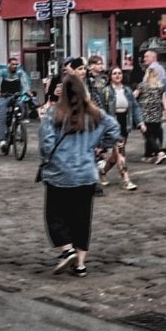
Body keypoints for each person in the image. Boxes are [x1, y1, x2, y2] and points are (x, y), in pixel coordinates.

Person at [39, 74, 120, 277]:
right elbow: (114, 129)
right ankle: (81, 264)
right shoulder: (95, 114)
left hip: (60, 173)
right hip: (85, 173)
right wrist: (100, 147)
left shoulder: (54, 114)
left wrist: (48, 159)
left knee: (55, 216)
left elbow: (46, 144)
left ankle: (67, 250)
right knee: (82, 219)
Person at [101, 66, 143, 190]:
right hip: (113, 124)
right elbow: (101, 109)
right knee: (121, 151)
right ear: (110, 77)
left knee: (115, 155)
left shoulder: (127, 90)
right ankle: (126, 179)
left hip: (125, 122)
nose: (118, 75)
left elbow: (135, 107)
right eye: (114, 73)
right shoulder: (106, 91)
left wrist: (140, 122)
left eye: (119, 73)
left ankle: (103, 171)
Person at [0, 55, 31, 151]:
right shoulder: (2, 72)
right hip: (4, 96)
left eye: (16, 64)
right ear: (8, 65)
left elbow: (24, 83)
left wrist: (27, 91)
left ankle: (18, 126)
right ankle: (2, 140)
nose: (15, 66)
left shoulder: (20, 72)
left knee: (21, 106)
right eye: (13, 64)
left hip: (16, 96)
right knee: (2, 116)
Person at [134, 65, 166, 161]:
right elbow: (164, 101)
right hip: (157, 114)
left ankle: (159, 152)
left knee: (148, 135)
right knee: (153, 135)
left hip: (145, 114)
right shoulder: (160, 86)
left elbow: (134, 95)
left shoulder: (142, 85)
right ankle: (148, 155)